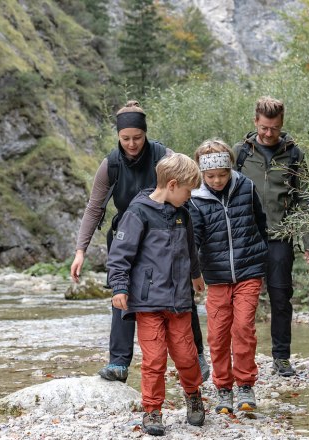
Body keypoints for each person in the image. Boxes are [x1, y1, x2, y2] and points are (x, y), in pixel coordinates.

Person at [70, 100, 209, 383]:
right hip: (128, 235)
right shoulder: (110, 164)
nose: (132, 144)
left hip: (166, 233)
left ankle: (196, 355)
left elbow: (187, 191)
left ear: (145, 134)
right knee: (121, 293)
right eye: (125, 139)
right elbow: (94, 207)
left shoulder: (164, 156)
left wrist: (196, 264)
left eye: (137, 138)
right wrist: (80, 250)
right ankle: (119, 363)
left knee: (181, 290)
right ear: (118, 137)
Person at [106, 153, 206, 436]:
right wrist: (119, 287)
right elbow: (119, 256)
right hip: (148, 303)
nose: (190, 197)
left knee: (187, 355)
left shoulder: (182, 214)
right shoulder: (137, 214)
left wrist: (196, 276)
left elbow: (190, 249)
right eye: (188, 191)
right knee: (154, 359)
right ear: (173, 185)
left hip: (179, 302)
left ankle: (193, 395)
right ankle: (152, 410)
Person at [231, 96, 309, 377]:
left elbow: (304, 199)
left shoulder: (294, 155)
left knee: (281, 298)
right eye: (265, 127)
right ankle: (242, 360)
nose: (269, 134)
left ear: (282, 124)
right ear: (255, 121)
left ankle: (281, 358)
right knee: (243, 302)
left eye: (275, 128)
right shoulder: (240, 154)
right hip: (246, 238)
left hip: (280, 237)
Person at [187, 139, 268, 414]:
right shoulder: (195, 199)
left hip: (249, 271)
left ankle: (245, 384)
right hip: (216, 277)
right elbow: (194, 239)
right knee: (219, 335)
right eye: (211, 176)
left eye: (222, 174)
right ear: (201, 173)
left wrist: (263, 256)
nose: (217, 180)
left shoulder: (245, 186)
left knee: (243, 328)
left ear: (230, 168)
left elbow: (260, 220)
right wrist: (193, 272)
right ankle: (224, 388)